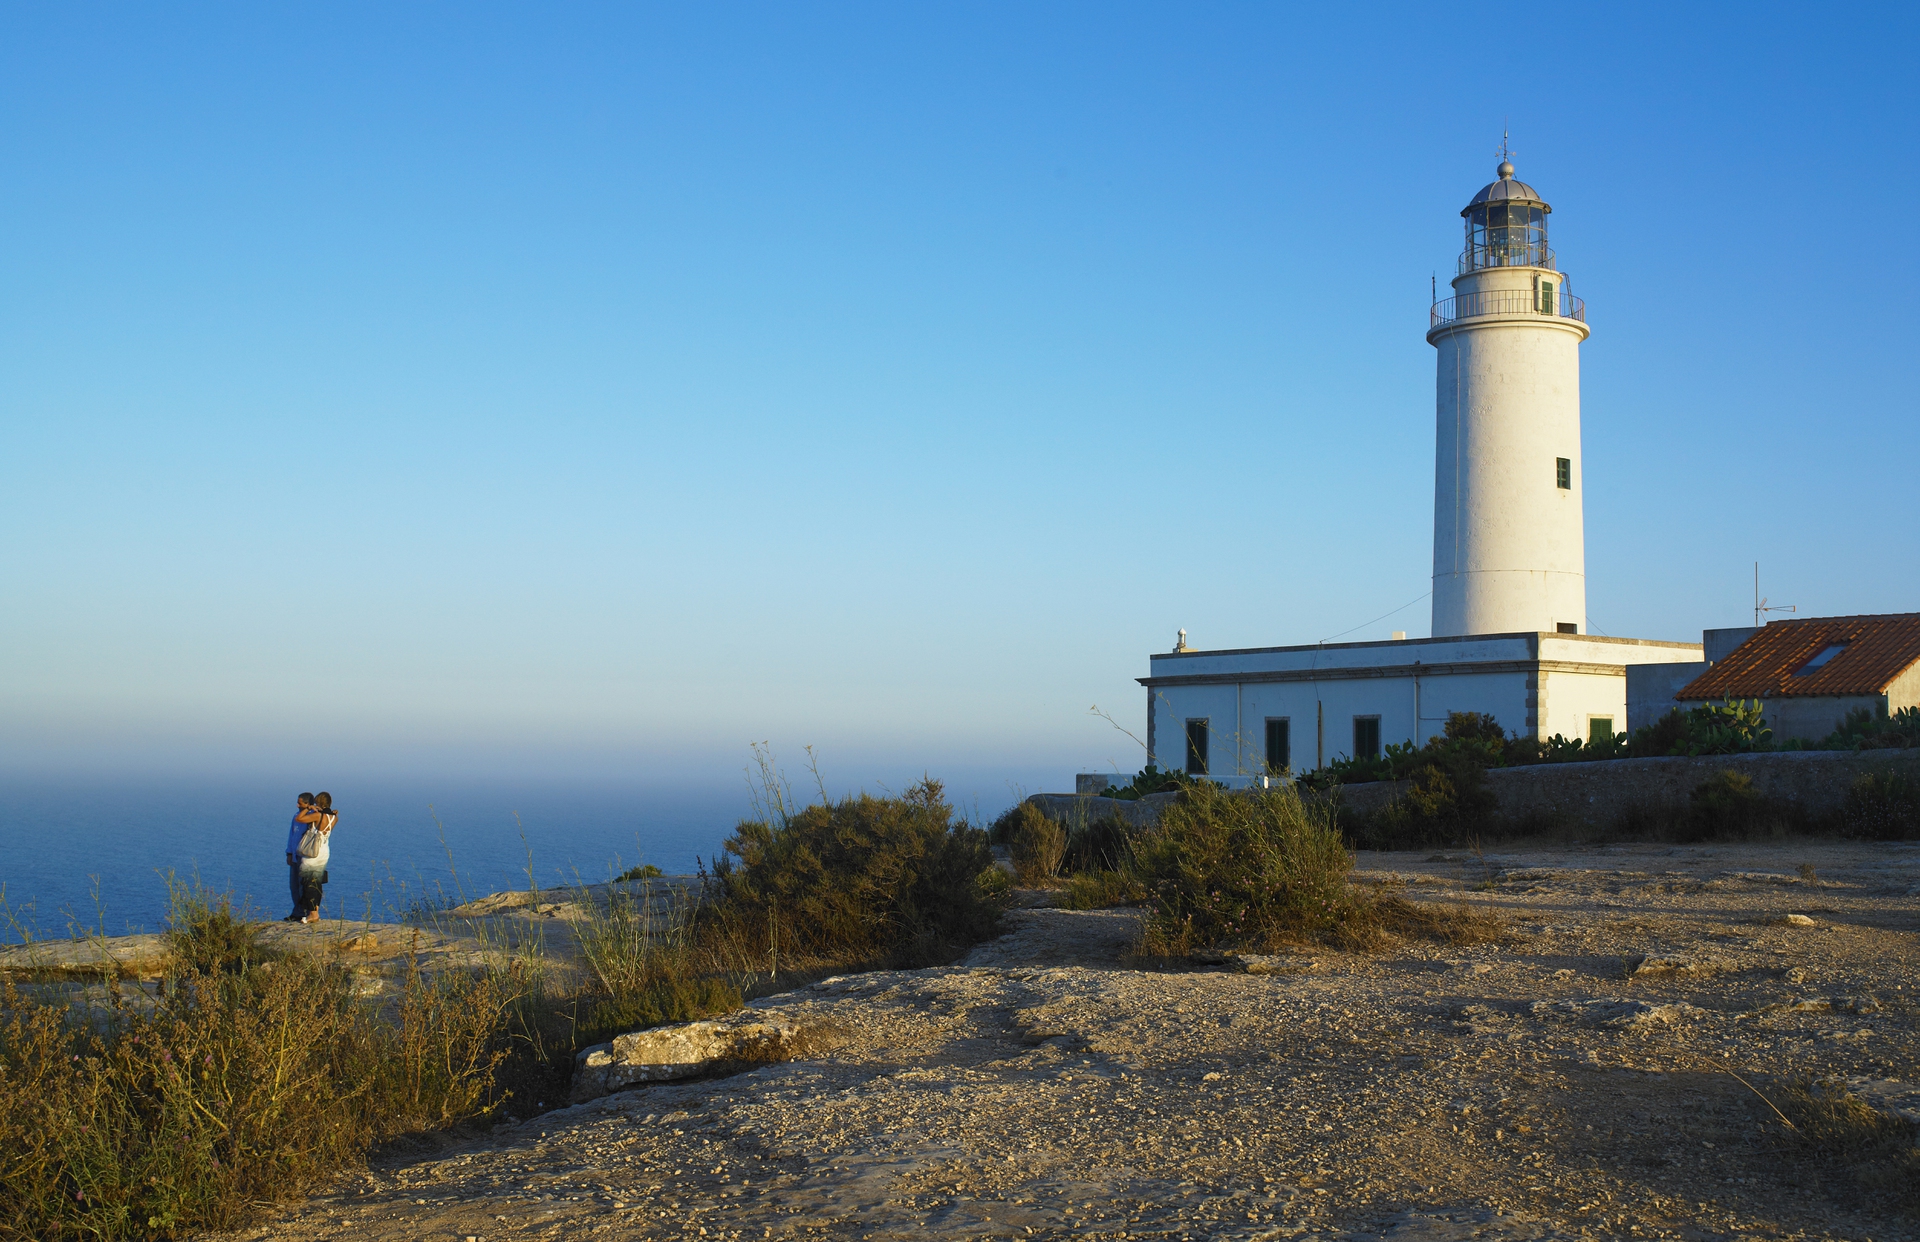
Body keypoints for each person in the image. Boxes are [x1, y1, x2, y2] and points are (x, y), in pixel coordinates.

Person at [296, 791, 337, 925]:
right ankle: (316, 911)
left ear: (318, 802)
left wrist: (308, 809)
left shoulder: (318, 816)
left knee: (308, 883)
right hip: (324, 851)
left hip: (313, 851)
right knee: (317, 882)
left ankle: (312, 914)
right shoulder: (334, 817)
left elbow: (299, 819)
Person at [284, 792, 321, 922]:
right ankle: (297, 910)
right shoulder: (296, 816)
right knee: (293, 886)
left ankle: (303, 912)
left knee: (302, 886)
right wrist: (289, 853)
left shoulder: (312, 817)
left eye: (300, 803)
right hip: (294, 856)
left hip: (304, 856)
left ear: (308, 804)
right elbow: (291, 835)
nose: (297, 805)